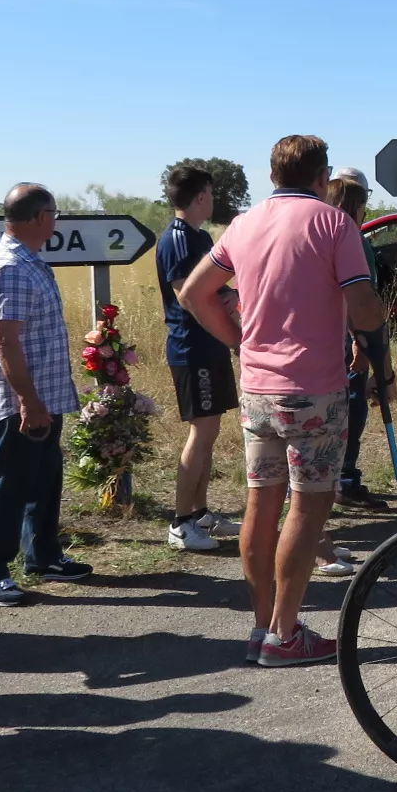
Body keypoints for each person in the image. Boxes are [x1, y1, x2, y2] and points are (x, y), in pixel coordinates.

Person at [178, 135, 386, 666]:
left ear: (272, 176)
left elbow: (193, 294)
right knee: (307, 507)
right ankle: (285, 634)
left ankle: (262, 626)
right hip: (313, 388)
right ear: (322, 178)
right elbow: (363, 306)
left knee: (261, 501)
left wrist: (236, 338)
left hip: (258, 389)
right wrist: (378, 332)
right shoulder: (334, 223)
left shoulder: (241, 225)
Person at [0, 183, 90, 607]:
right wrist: (27, 400)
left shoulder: (29, 261)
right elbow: (5, 340)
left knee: (43, 477)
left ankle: (42, 555)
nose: (56, 221)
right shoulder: (11, 267)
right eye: (54, 214)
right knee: (9, 482)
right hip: (24, 398)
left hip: (45, 394)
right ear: (40, 217)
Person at [156, 165, 241, 553]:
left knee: (211, 432)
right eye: (209, 192)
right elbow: (186, 295)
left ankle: (200, 512)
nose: (213, 199)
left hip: (211, 345)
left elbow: (215, 288)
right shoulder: (176, 240)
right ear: (200, 196)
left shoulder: (201, 236)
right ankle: (180, 522)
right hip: (192, 348)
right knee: (201, 433)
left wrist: (229, 295)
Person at [323, 168, 394, 513]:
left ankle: (337, 479)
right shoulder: (350, 240)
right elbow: (359, 299)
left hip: (335, 338)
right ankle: (343, 480)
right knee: (351, 409)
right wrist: (364, 344)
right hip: (351, 340)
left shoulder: (328, 237)